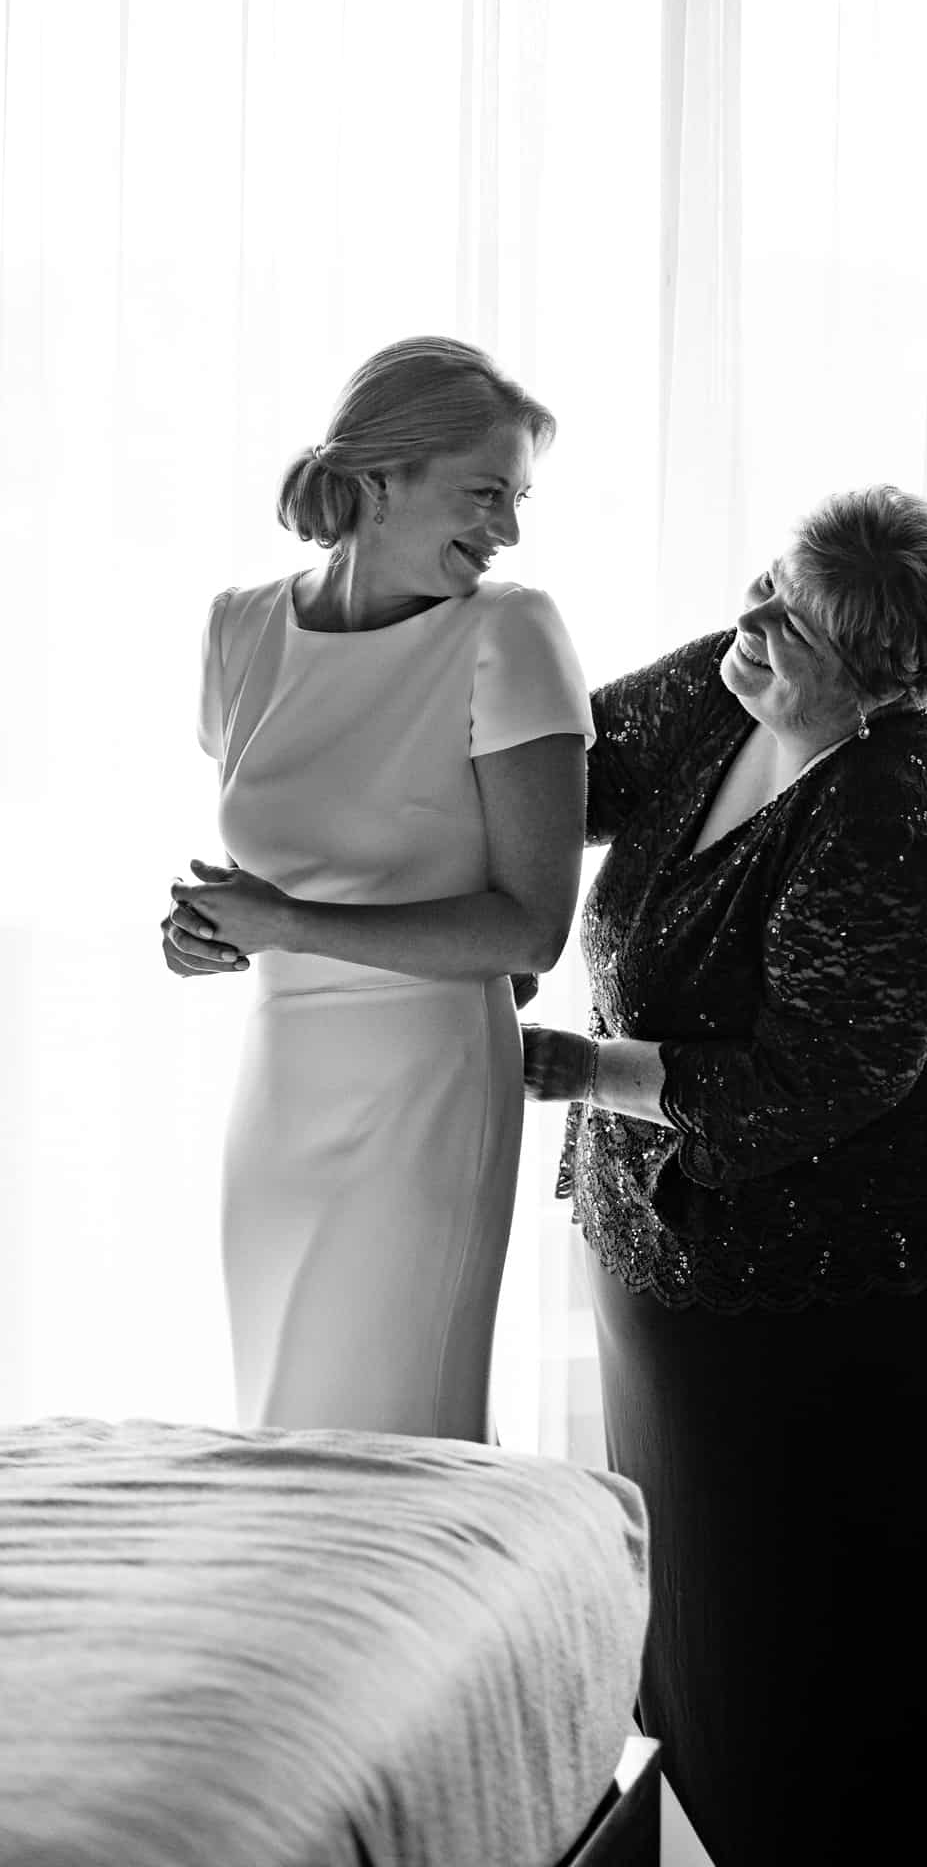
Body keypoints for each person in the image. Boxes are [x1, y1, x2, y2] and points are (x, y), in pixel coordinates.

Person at [522, 484, 927, 1866]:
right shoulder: (738, 678)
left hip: (897, 1268)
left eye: (792, 618)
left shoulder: (904, 816)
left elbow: (801, 1089)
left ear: (887, 687)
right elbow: (557, 775)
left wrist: (567, 1067)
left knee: (844, 1631)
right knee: (710, 1607)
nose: (751, 618)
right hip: (686, 1232)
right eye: (765, 581)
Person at [162, 336, 592, 1440]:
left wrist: (290, 921)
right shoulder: (239, 627)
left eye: (517, 497)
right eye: (485, 491)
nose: (506, 528)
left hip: (427, 1087)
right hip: (282, 1081)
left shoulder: (511, 631)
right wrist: (206, 931)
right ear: (379, 477)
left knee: (397, 1425)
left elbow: (531, 928)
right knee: (282, 1414)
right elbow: (277, 861)